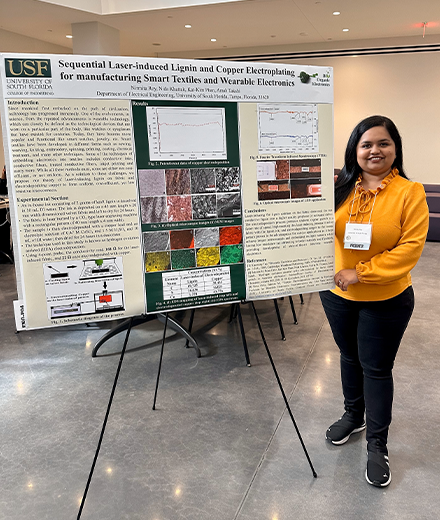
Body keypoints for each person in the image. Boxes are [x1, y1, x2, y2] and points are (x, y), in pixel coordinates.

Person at [320, 115, 429, 487]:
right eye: (366, 144)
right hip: (336, 294)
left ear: (395, 148)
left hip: (386, 298)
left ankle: (377, 444)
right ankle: (354, 415)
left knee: (376, 368)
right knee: (349, 357)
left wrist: (361, 272)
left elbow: (410, 249)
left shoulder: (409, 192)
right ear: (355, 150)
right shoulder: (339, 187)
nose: (374, 150)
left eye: (383, 143)